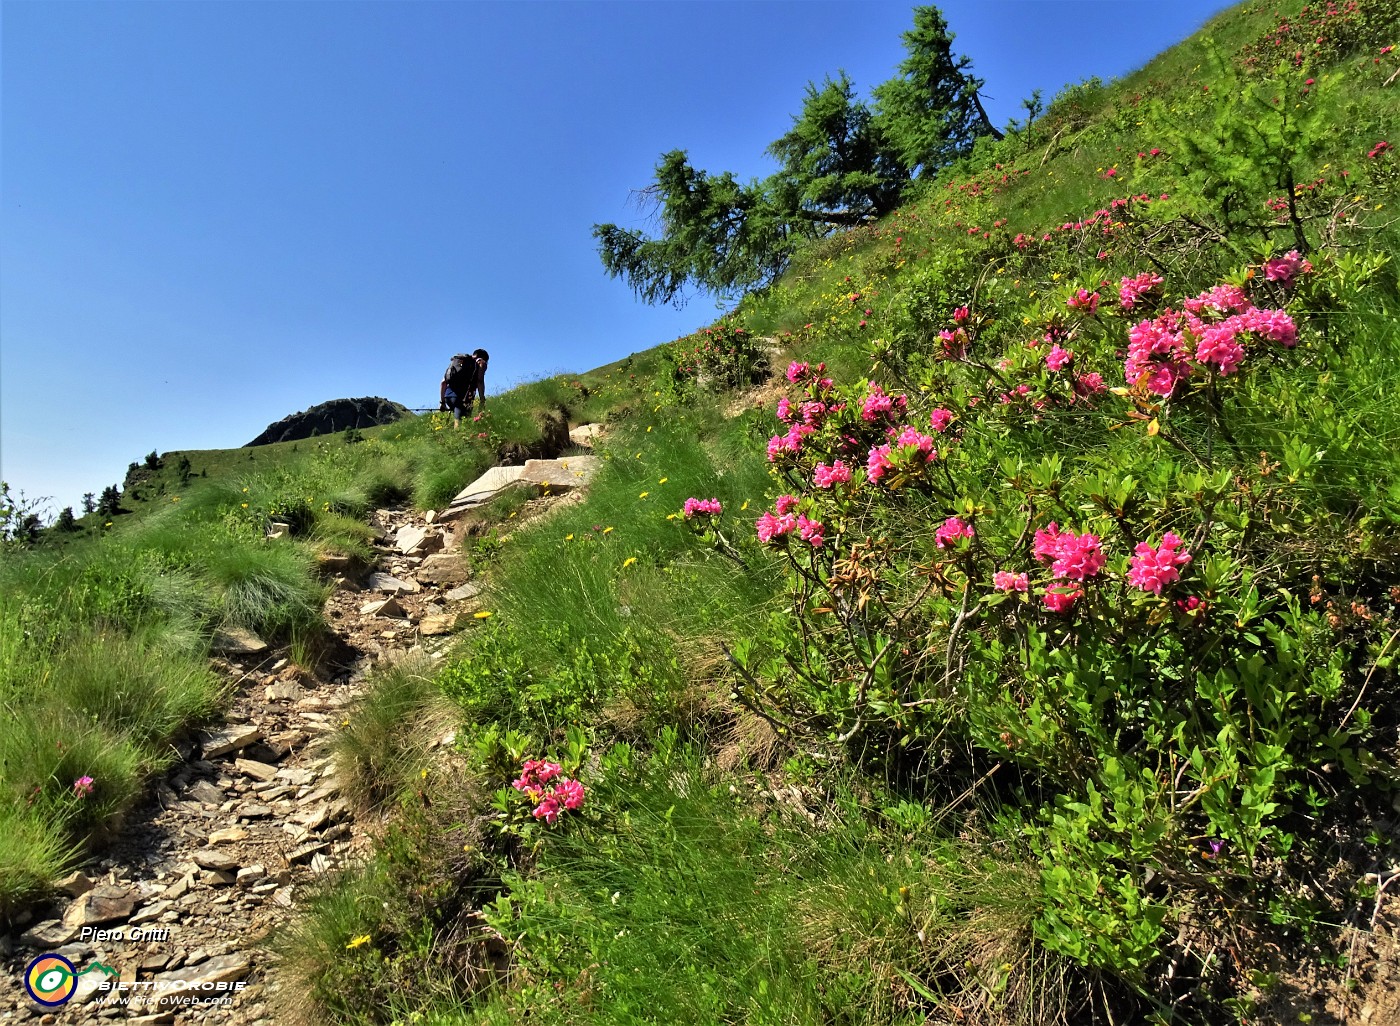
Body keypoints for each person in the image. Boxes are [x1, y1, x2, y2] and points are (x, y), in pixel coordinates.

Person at [439, 348, 489, 427]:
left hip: (448, 396)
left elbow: (443, 383)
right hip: (462, 398)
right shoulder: (480, 363)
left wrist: (442, 402)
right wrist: (482, 399)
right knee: (461, 424)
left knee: (459, 419)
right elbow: (480, 381)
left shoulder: (458, 362)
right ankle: (457, 437)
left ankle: (450, 434)